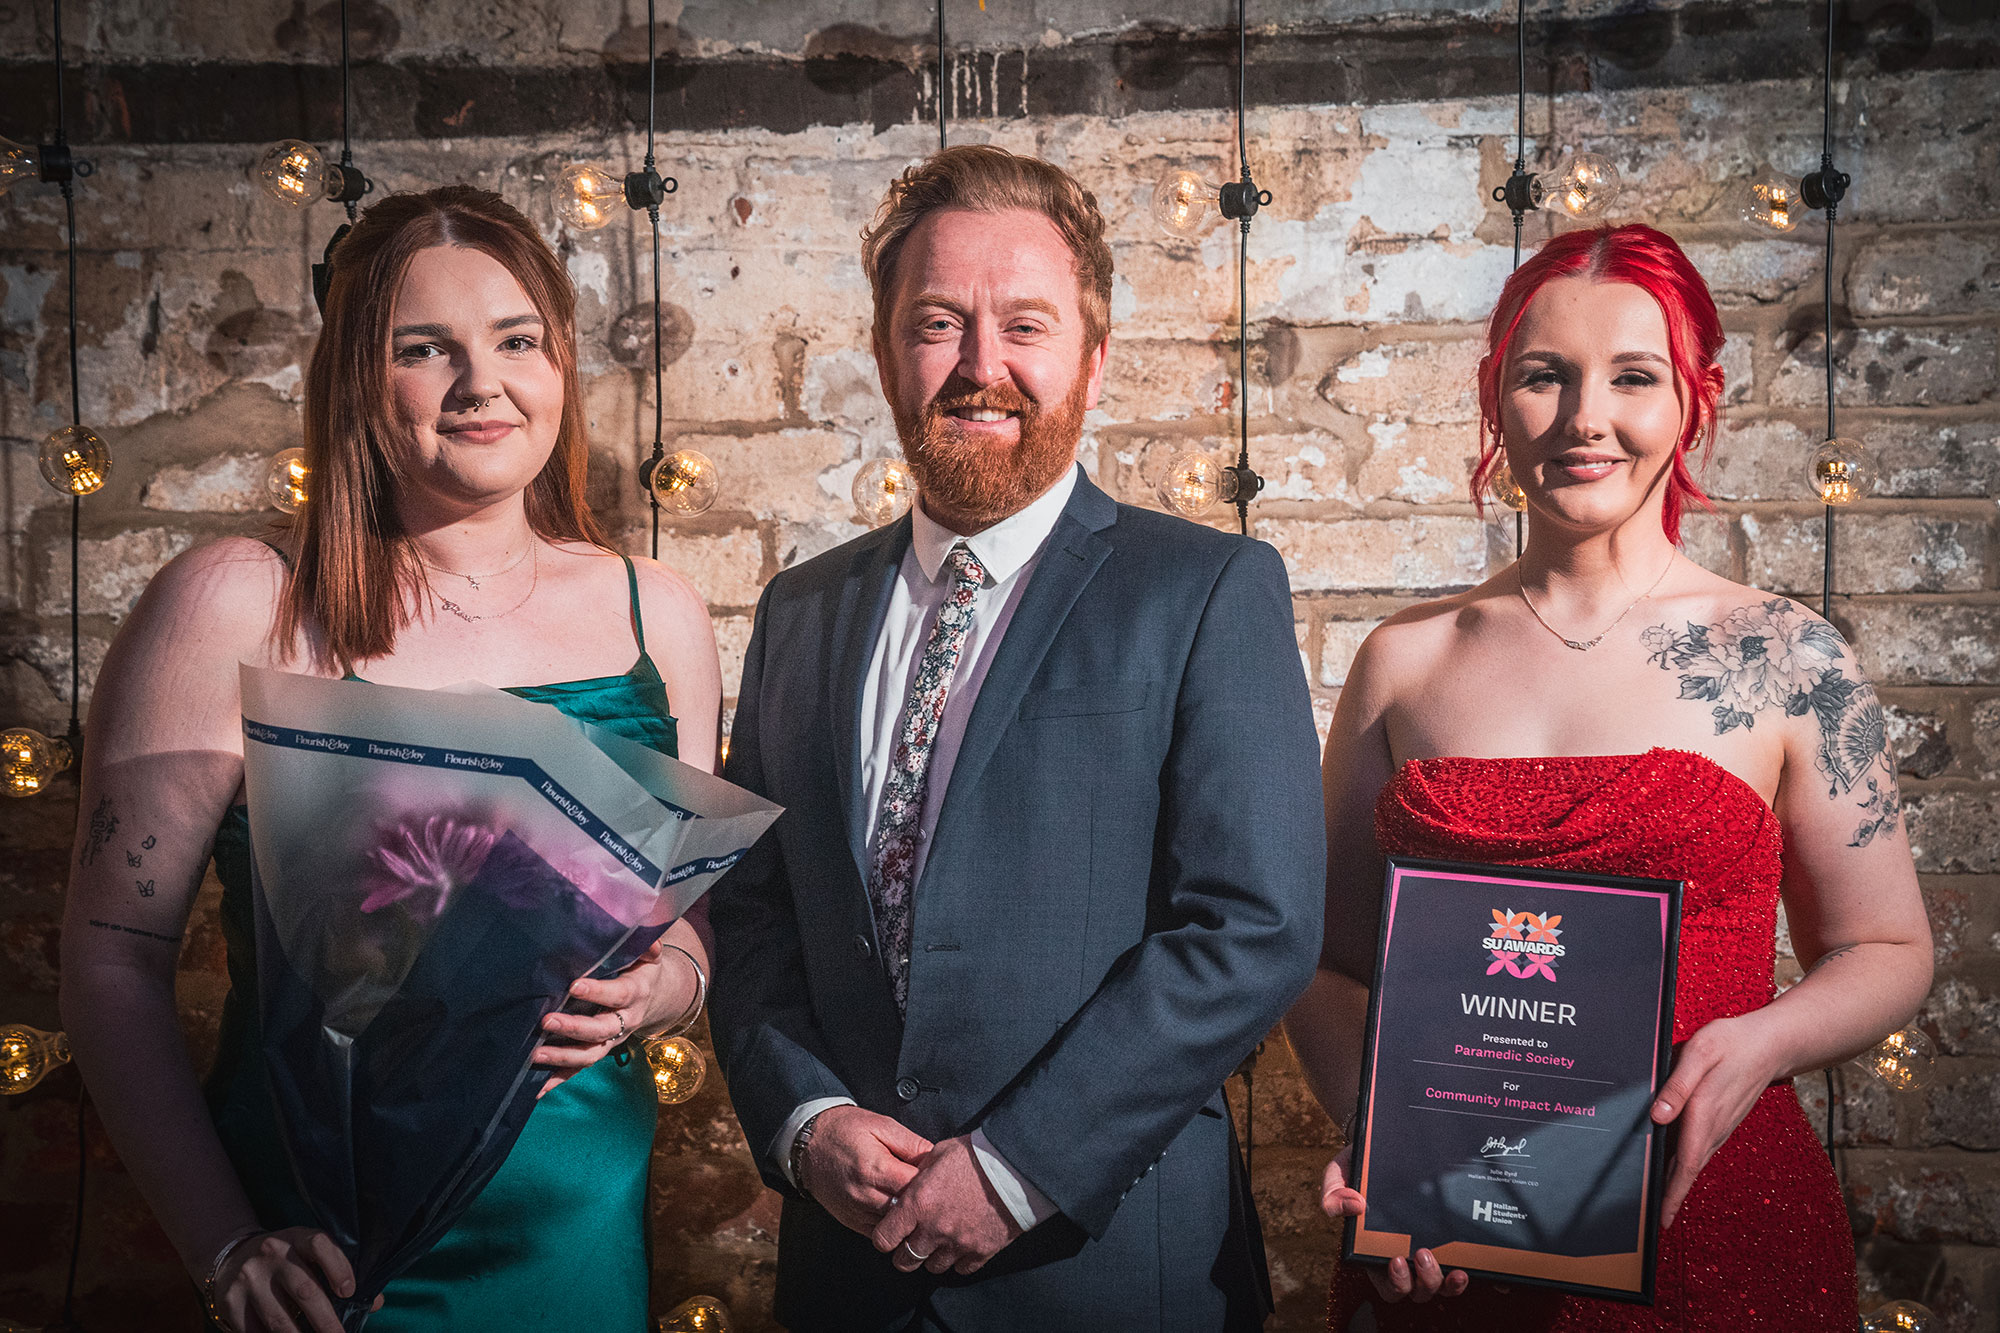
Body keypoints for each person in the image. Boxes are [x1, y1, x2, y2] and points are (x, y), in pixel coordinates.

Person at [58, 185, 722, 1333]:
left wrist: (676, 984)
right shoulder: (237, 601)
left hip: (580, 1241)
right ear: (359, 382)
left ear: (560, 364)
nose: (483, 383)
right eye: (426, 350)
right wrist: (223, 1247)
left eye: (518, 341)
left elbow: (680, 914)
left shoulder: (652, 612)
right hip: (323, 1250)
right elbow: (111, 956)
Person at [706, 145, 1325, 1331]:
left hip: (1103, 1271)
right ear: (887, 350)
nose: (981, 368)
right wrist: (803, 1119)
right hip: (847, 1278)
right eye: (938, 323)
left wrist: (1015, 1166)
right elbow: (752, 906)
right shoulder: (802, 608)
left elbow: (1255, 925)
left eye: (1024, 327)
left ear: (1092, 360)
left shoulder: (1204, 590)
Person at [1282, 223, 1934, 1331]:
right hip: (1448, 1237)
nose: (1586, 418)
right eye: (1544, 376)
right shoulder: (1404, 658)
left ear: (1695, 399)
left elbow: (1886, 948)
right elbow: (1329, 964)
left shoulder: (1786, 656)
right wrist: (1384, 1144)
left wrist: (1761, 1038)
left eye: (1632, 377)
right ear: (1495, 398)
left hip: (1712, 1222)